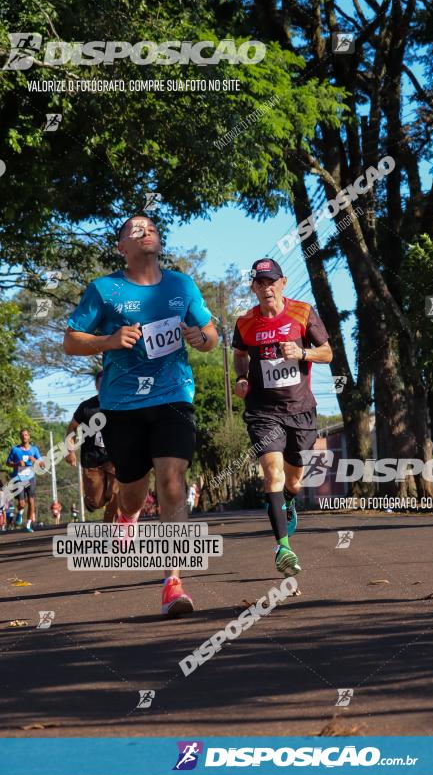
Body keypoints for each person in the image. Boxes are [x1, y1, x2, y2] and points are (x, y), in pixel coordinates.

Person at [63, 214, 218, 617]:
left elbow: (210, 337)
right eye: (134, 230)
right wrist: (110, 340)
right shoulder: (104, 289)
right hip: (123, 405)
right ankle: (128, 515)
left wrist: (198, 337)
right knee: (133, 488)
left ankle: (173, 581)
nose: (144, 231)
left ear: (159, 241)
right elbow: (70, 341)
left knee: (172, 480)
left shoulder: (181, 285)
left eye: (150, 228)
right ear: (121, 248)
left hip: (173, 397)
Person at [232, 258, 332, 577]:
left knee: (294, 481)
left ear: (283, 282)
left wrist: (302, 353)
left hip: (301, 410)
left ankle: (286, 500)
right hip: (263, 411)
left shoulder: (302, 312)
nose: (266, 288)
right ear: (253, 287)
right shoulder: (245, 322)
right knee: (272, 473)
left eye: (271, 281)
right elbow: (239, 355)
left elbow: (327, 353)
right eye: (260, 283)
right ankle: (283, 548)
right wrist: (242, 377)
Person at [65, 370, 119, 523]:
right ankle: (91, 499)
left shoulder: (120, 404)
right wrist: (70, 451)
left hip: (114, 457)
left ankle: (111, 527)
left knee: (116, 492)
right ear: (96, 386)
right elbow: (72, 428)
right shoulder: (86, 407)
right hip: (91, 459)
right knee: (96, 501)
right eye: (101, 384)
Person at [6, 429, 44, 532]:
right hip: (18, 477)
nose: (24, 437)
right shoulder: (15, 450)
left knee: (31, 501)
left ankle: (28, 524)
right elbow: (8, 463)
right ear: (20, 437)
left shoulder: (34, 449)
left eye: (26, 435)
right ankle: (20, 513)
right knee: (22, 504)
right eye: (22, 435)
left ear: (29, 437)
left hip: (30, 476)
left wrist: (35, 460)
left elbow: (42, 464)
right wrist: (17, 464)